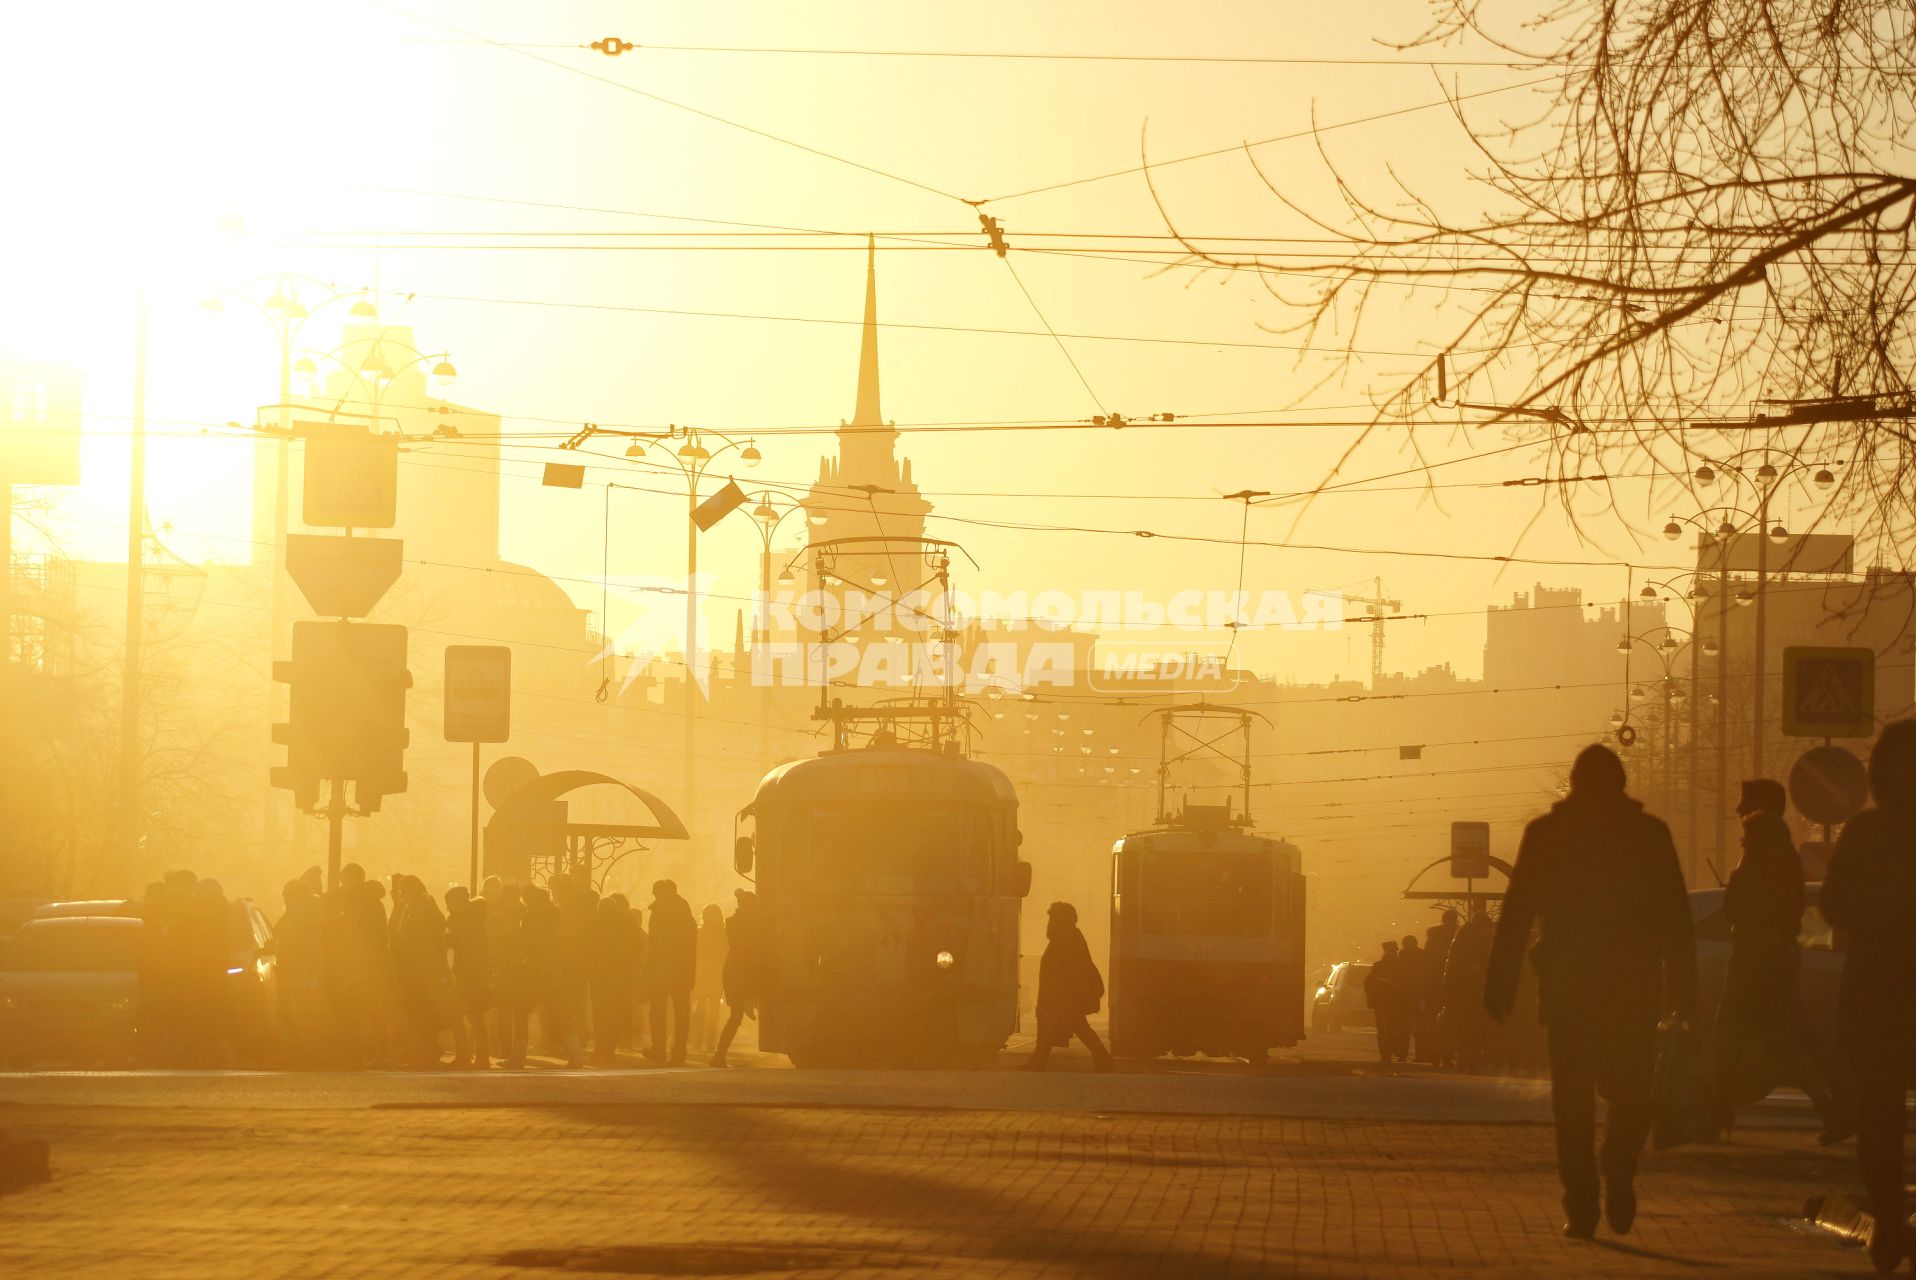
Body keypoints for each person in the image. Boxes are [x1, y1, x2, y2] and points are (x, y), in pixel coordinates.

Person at [1486, 744, 1694, 1240]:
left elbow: (1516, 914)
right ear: (1621, 785)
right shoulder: (1648, 835)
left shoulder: (1548, 835)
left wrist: (1500, 986)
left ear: (1574, 786)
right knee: (1632, 1094)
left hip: (1569, 990)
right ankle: (1618, 1168)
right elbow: (1676, 923)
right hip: (1632, 989)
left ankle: (1582, 1205)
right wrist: (1683, 994)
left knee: (1572, 1104)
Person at [1818, 720, 1916, 1274]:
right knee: (1879, 1114)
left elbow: (1833, 906)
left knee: (1879, 1117)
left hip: (1878, 992)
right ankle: (1889, 1220)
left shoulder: (1867, 833)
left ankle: (1886, 1220)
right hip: (1885, 995)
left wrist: (1876, 917)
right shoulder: (1867, 833)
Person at [1712, 779, 1850, 1141]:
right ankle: (1838, 1108)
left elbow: (1737, 909)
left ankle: (1711, 1113)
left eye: (1746, 805)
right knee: (1788, 1041)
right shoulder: (1783, 853)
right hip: (1774, 959)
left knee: (1734, 1035)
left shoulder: (1758, 851)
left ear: (1759, 810)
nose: (1739, 811)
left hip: (1754, 962)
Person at [1022, 901, 1113, 1072]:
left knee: (1058, 1028)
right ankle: (1104, 1060)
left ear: (1061, 921)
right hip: (1062, 998)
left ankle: (1038, 1062)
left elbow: (1070, 971)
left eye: (1052, 919)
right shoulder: (1067, 937)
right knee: (1075, 1028)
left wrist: (1060, 996)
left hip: (1063, 998)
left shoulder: (1067, 939)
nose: (1049, 923)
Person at [391, 876, 453, 1068]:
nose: (400, 894)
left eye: (402, 890)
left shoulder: (415, 910)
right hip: (427, 969)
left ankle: (423, 1052)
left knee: (418, 1011)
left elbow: (410, 940)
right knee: (424, 1011)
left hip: (417, 970)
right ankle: (429, 1048)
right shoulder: (428, 908)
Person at [519, 884, 582, 1068]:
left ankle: (517, 1056)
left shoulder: (533, 919)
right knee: (561, 1014)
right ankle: (576, 1054)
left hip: (536, 972)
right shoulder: (555, 917)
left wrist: (526, 961)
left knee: (521, 1012)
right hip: (554, 971)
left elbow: (534, 947)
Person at [642, 880, 698, 1066]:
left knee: (659, 1011)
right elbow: (690, 948)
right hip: (680, 971)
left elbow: (656, 946)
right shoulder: (686, 916)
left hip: (663, 970)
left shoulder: (659, 915)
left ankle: (660, 1049)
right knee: (680, 1013)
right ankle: (677, 1052)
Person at [711, 890, 768, 1068]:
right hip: (745, 973)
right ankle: (719, 1054)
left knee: (735, 1017)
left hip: (735, 972)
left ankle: (720, 1054)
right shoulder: (751, 924)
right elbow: (749, 948)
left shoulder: (733, 922)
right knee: (736, 1016)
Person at [444, 886, 493, 1070]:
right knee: (475, 1016)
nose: (448, 908)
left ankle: (466, 1054)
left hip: (468, 973)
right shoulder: (478, 917)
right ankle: (481, 1055)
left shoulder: (461, 920)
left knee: (461, 1014)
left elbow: (461, 944)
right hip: (478, 972)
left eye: (449, 904)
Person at [589, 894, 641, 1065]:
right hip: (620, 978)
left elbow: (590, 951)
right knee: (614, 1014)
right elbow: (635, 951)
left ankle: (600, 1047)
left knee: (600, 1014)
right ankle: (609, 1049)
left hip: (600, 977)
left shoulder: (596, 926)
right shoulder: (627, 924)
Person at [1442, 909, 1494, 1073]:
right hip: (1474, 990)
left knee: (1463, 1026)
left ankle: (1463, 1058)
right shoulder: (1481, 941)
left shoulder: (1460, 939)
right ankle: (1471, 1059)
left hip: (1460, 990)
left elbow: (1450, 966)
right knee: (1475, 1026)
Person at [488, 885, 530, 1069]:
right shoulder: (525, 917)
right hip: (516, 969)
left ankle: (509, 1050)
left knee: (510, 1012)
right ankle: (509, 1049)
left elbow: (492, 945)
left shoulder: (498, 919)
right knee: (511, 1012)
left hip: (509, 969)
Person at [1421, 911, 1459, 1066]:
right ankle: (1448, 1055)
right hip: (1454, 986)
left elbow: (1425, 964)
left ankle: (1433, 1055)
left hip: (1433, 986)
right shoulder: (1460, 936)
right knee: (1452, 1021)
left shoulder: (1432, 937)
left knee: (1431, 1021)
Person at [692, 904, 728, 1053]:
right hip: (716, 974)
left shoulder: (699, 933)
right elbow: (726, 952)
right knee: (713, 1009)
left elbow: (694, 953)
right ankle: (710, 1042)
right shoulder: (723, 934)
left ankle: (699, 1040)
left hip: (703, 974)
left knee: (702, 1007)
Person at [1364, 940, 1402, 1064]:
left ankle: (1385, 1054)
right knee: (1394, 1028)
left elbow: (1369, 984)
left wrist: (1371, 999)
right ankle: (1393, 1051)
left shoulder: (1377, 965)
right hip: (1396, 1001)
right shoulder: (1399, 965)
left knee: (1382, 1029)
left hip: (1380, 1002)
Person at [1396, 934, 1426, 1064]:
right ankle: (1409, 1054)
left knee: (1410, 1029)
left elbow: (1396, 974)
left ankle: (1407, 1055)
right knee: (1411, 1029)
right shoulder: (1422, 955)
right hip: (1413, 996)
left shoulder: (1402, 956)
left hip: (1410, 996)